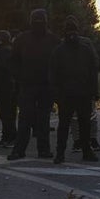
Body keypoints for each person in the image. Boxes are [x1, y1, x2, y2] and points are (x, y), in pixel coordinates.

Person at [8, 9, 61, 161]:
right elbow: (13, 61)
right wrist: (19, 77)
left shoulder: (52, 40)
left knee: (42, 119)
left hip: (45, 85)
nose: (38, 23)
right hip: (28, 85)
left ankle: (41, 149)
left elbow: (58, 63)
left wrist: (54, 81)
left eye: (41, 21)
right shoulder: (23, 39)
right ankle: (20, 150)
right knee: (26, 117)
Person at [49, 18, 100, 164]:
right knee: (66, 125)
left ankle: (85, 151)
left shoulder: (83, 50)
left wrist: (94, 91)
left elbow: (92, 72)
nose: (72, 34)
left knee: (83, 125)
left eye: (73, 31)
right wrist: (56, 95)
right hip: (67, 95)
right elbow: (53, 74)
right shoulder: (59, 51)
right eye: (69, 31)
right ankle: (61, 153)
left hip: (82, 93)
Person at [0, 29, 17, 147]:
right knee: (9, 112)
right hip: (9, 85)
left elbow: (1, 69)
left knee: (6, 113)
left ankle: (9, 137)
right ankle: (9, 136)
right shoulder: (10, 49)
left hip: (3, 86)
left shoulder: (2, 51)